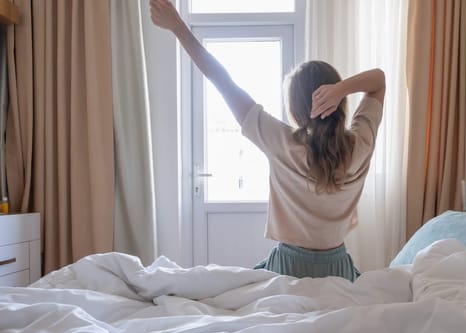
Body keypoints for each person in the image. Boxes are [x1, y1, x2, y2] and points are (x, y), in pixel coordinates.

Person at [150, 0, 385, 282]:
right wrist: (341, 89)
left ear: (296, 109)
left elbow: (222, 81)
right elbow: (379, 81)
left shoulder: (281, 141)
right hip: (338, 271)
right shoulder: (360, 144)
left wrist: (178, 28)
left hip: (289, 269)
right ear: (341, 101)